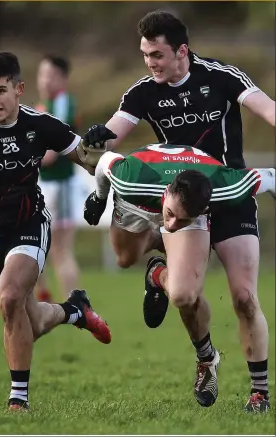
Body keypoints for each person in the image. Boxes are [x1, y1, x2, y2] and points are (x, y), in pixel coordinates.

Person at [81, 10, 275, 412]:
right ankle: (206, 356)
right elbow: (112, 134)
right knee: (185, 295)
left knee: (244, 297)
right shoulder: (144, 91)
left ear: (181, 51)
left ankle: (260, 392)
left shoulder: (222, 76)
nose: (149, 62)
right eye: (145, 54)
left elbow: (269, 110)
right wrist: (101, 136)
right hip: (186, 204)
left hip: (230, 193)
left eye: (156, 54)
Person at [0, 51, 111, 411]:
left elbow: (90, 159)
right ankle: (74, 311)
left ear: (19, 89)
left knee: (11, 297)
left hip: (29, 224)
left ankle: (18, 401)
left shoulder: (40, 123)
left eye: (0, 91)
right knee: (29, 320)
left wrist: (100, 144)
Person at [83, 143, 275, 410]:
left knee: (183, 294)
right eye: (171, 217)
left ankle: (211, 360)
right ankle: (158, 272)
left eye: (181, 222)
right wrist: (99, 197)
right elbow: (104, 161)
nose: (171, 225)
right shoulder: (132, 178)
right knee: (124, 258)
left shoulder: (224, 185)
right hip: (140, 199)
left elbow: (270, 177)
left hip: (186, 195)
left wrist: (182, 219)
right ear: (169, 192)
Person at [35, 54, 81, 303]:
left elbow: (50, 156)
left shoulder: (62, 104)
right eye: (42, 75)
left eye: (51, 76)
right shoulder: (43, 107)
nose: (45, 81)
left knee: (61, 249)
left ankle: (75, 306)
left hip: (60, 184)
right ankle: (51, 298)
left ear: (63, 79)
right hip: (45, 186)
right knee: (47, 247)